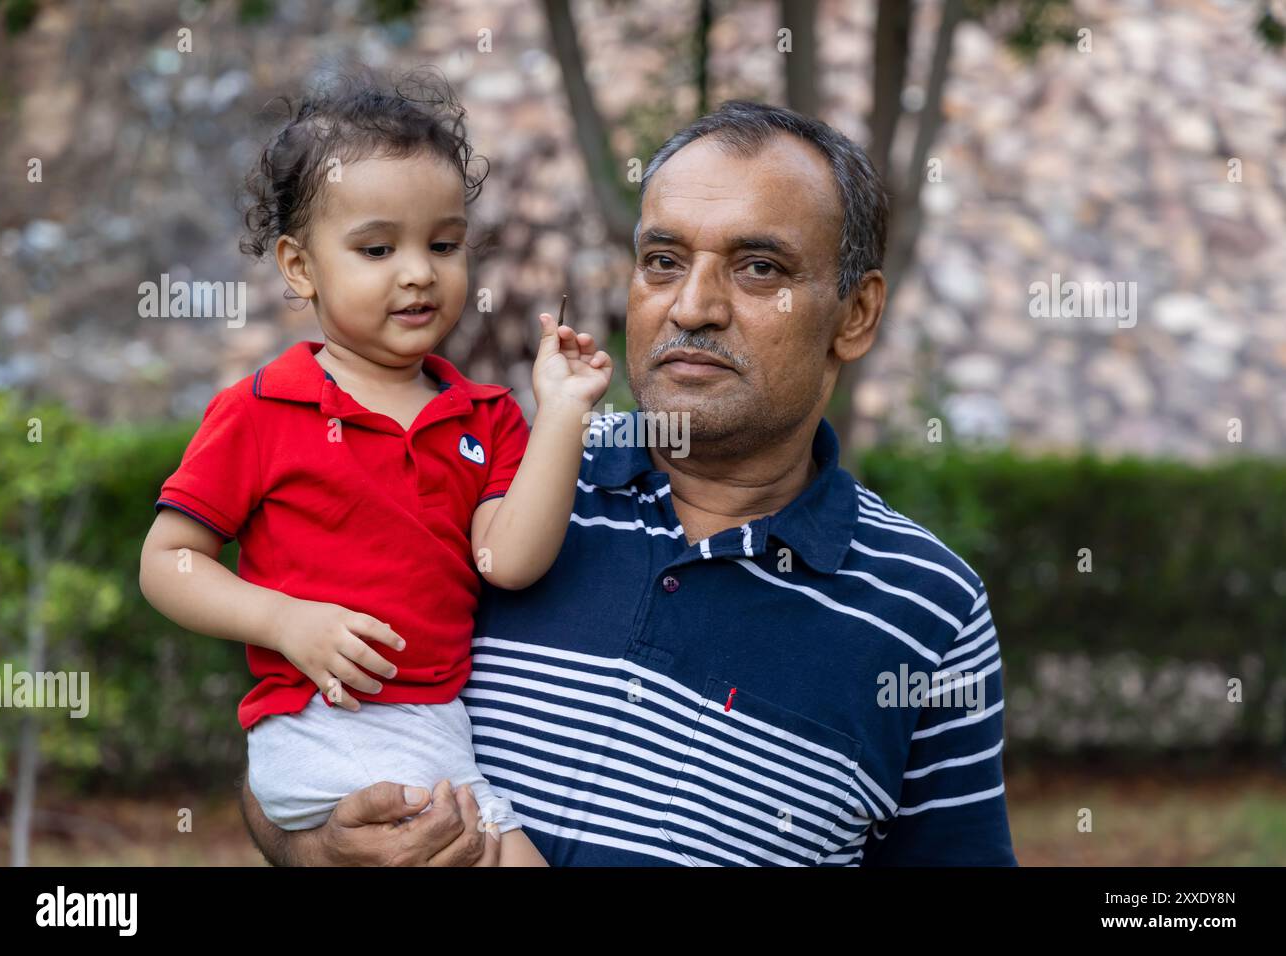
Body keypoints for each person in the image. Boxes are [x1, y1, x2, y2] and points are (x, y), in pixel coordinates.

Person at [239, 99, 1018, 867]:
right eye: (663, 262)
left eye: (758, 268)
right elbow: (301, 744)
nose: (693, 307)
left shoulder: (930, 614)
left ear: (855, 313)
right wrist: (317, 850)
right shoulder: (495, 487)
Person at [138, 69, 614, 867]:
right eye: (377, 248)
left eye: (444, 244)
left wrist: (561, 412)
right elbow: (167, 562)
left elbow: (512, 561)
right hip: (325, 723)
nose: (419, 271)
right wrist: (284, 620)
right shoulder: (261, 409)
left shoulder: (486, 416)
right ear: (299, 267)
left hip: (434, 725)